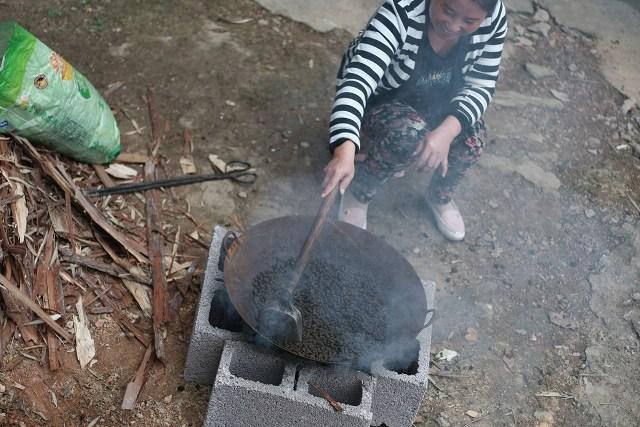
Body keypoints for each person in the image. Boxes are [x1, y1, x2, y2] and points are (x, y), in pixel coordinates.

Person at [322, 0, 508, 241]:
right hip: (382, 101)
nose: (452, 25)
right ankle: (359, 191)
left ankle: (439, 195)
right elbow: (356, 83)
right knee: (408, 135)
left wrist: (445, 133)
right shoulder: (400, 13)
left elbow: (481, 85)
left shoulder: (494, 17)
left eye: (469, 21)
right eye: (448, 11)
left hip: (439, 101)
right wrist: (344, 149)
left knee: (473, 140)